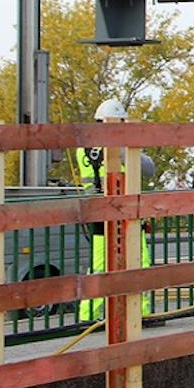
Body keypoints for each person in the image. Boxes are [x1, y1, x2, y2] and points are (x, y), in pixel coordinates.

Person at [76, 99, 153, 321]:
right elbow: (148, 168)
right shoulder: (118, 146)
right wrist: (130, 142)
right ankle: (141, 312)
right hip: (125, 212)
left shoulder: (85, 147)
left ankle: (88, 314)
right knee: (138, 262)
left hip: (98, 212)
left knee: (100, 267)